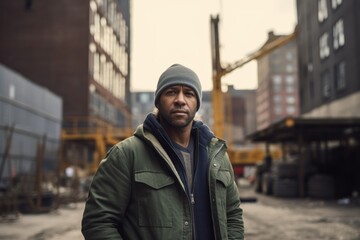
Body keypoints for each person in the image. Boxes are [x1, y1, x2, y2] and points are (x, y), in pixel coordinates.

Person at [81, 64, 244, 239]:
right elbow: (98, 222)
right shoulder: (127, 155)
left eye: (188, 93)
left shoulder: (217, 157)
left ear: (197, 104)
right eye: (171, 92)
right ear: (158, 102)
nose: (180, 100)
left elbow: (232, 215)